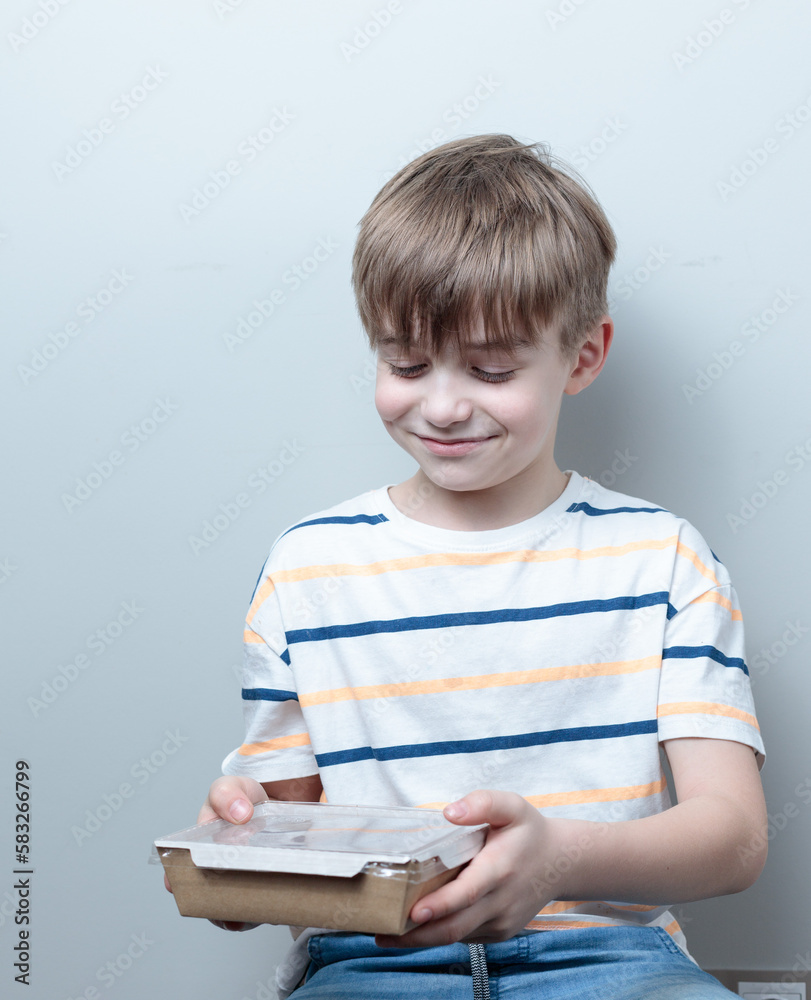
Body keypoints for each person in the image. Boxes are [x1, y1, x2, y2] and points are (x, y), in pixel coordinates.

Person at [175, 134, 767, 999]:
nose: (443, 405)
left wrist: (559, 858)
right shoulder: (308, 567)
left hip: (608, 961)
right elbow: (279, 833)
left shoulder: (665, 559)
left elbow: (734, 837)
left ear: (584, 355)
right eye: (404, 363)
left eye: (490, 369)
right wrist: (232, 855)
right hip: (372, 964)